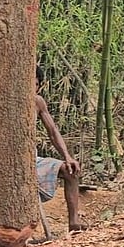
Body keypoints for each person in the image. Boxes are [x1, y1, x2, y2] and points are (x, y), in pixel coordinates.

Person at [34, 66, 85, 231]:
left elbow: (53, 131)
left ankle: (74, 222)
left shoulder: (37, 102)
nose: (30, 87)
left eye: (34, 84)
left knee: (70, 170)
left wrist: (67, 157)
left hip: (31, 159)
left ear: (40, 86)